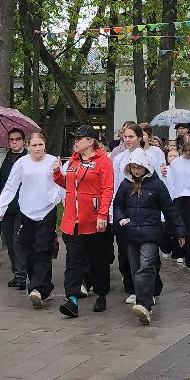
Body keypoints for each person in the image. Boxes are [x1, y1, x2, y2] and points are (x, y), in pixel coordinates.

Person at [0, 132, 62, 308]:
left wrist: (67, 205)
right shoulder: (22, 163)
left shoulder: (53, 161)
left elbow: (62, 184)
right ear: (28, 146)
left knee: (43, 248)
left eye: (41, 145)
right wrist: (1, 208)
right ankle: (42, 286)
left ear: (45, 145)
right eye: (34, 145)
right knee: (29, 249)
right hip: (27, 211)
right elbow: (11, 186)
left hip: (47, 210)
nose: (38, 148)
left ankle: (38, 289)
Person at [54, 126, 115, 317]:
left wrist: (103, 214)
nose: (75, 141)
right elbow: (69, 184)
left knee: (98, 261)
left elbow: (108, 189)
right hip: (72, 222)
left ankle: (101, 294)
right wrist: (57, 174)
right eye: (75, 138)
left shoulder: (103, 162)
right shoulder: (73, 160)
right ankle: (71, 299)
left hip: (94, 221)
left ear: (91, 141)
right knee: (73, 261)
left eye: (79, 138)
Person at [113, 158, 174, 324]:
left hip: (151, 233)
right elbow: (117, 205)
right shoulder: (125, 185)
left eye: (139, 167)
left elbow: (169, 208)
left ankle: (144, 304)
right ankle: (144, 301)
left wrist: (179, 231)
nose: (136, 170)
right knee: (135, 269)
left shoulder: (156, 185)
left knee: (146, 266)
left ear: (145, 167)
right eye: (133, 167)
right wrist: (121, 218)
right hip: (131, 234)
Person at [109, 124, 165, 301]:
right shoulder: (118, 159)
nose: (127, 140)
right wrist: (115, 212)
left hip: (148, 211)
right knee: (127, 254)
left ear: (140, 137)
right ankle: (133, 289)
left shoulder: (152, 156)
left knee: (149, 256)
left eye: (131, 136)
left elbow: (159, 184)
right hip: (126, 210)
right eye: (125, 137)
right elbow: (116, 184)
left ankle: (150, 289)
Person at [159, 142, 190, 274]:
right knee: (177, 229)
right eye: (185, 150)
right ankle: (179, 253)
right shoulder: (175, 163)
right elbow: (171, 181)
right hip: (179, 198)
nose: (187, 153)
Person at [0, 129, 30, 288]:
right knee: (9, 240)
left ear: (23, 141)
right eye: (11, 140)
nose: (14, 142)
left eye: (18, 139)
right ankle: (17, 271)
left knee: (18, 240)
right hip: (6, 206)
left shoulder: (28, 158)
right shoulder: (3, 158)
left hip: (24, 206)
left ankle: (22, 274)